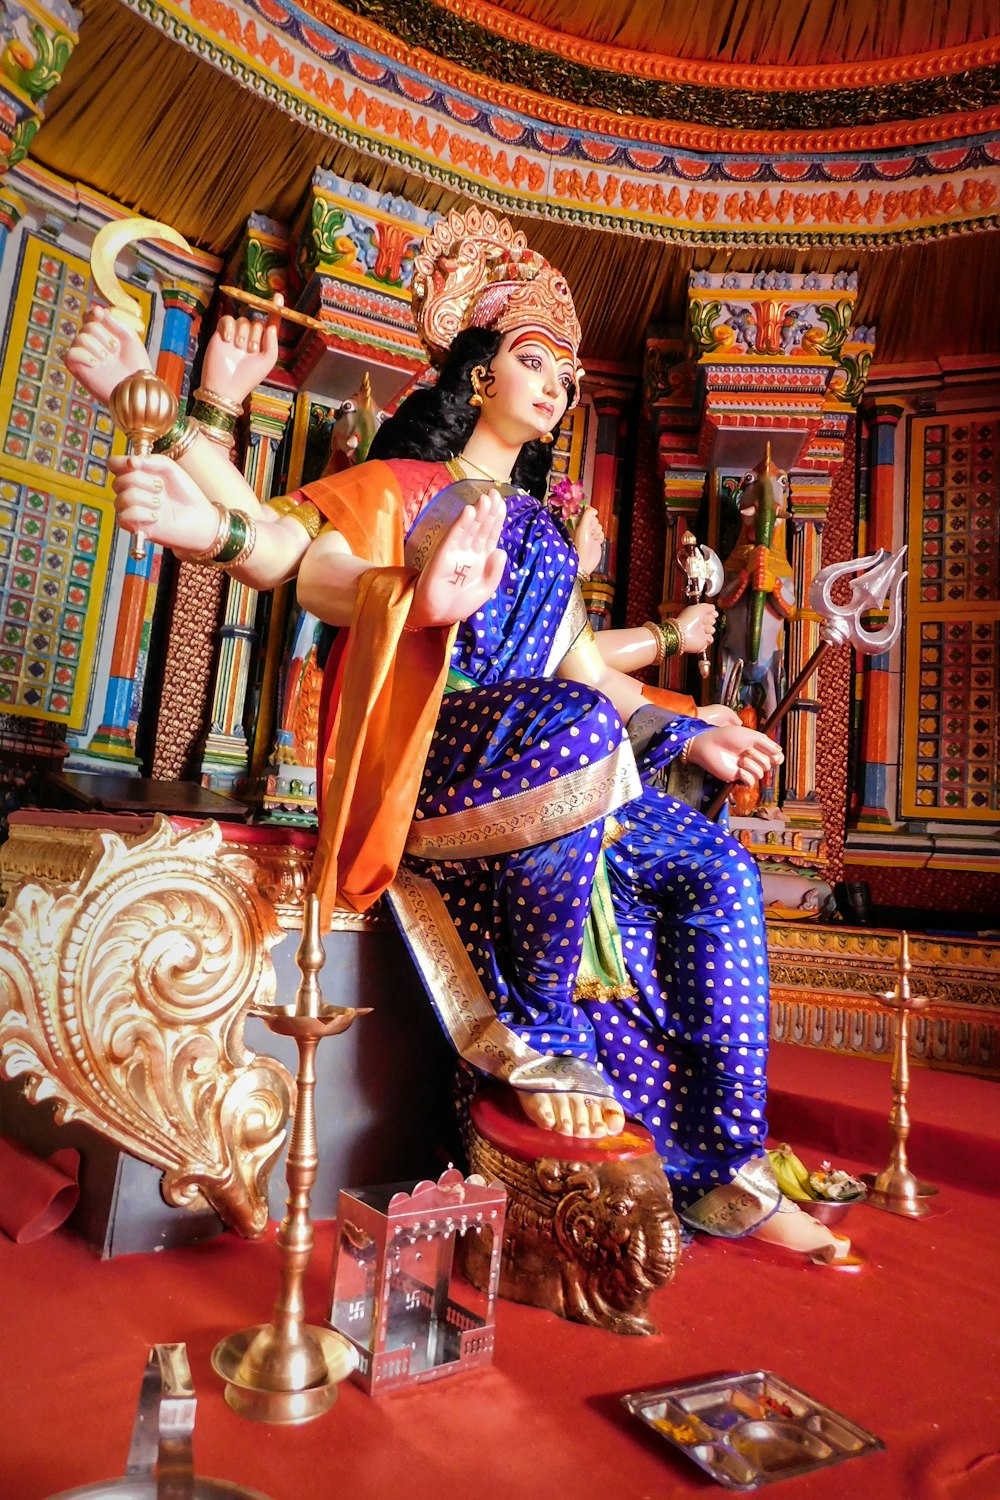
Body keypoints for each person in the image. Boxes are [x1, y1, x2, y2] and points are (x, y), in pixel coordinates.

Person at [66, 207, 847, 1261]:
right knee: (573, 728)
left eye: (569, 377)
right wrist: (186, 419)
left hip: (556, 758)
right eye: (536, 361)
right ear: (479, 375)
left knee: (713, 866)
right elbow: (287, 554)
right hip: (441, 761)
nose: (558, 387)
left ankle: (720, 1164)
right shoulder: (408, 490)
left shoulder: (536, 530)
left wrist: (683, 735)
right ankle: (533, 1030)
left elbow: (579, 671)